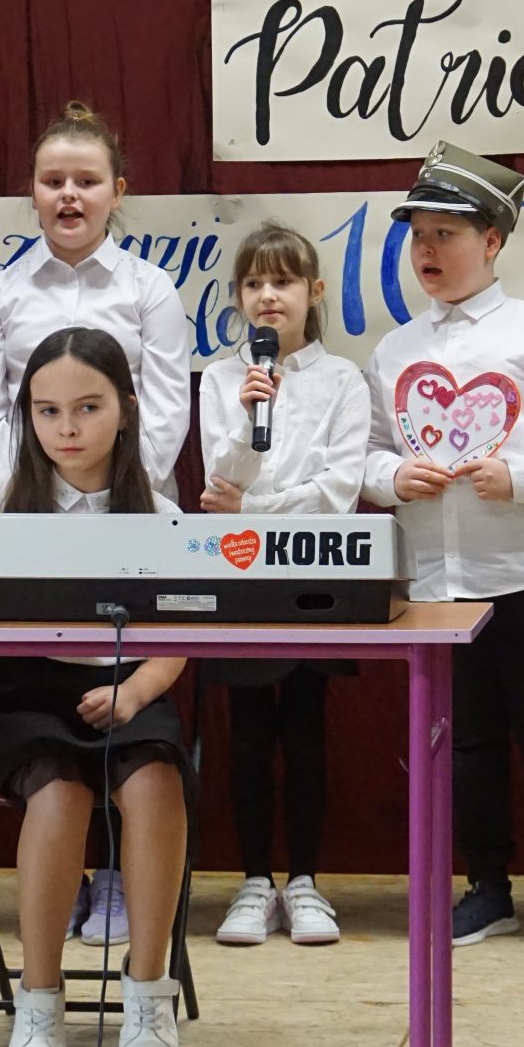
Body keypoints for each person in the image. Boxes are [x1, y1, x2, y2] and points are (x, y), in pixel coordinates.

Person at [360, 145, 524, 952]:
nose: (428, 251)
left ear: (492, 241)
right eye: (418, 236)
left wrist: (523, 474)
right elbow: (364, 452)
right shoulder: (394, 351)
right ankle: (486, 885)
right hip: (437, 581)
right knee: (463, 741)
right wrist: (392, 476)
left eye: (445, 234)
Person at [0, 102, 190, 944]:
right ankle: (49, 959)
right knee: (57, 780)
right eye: (52, 180)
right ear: (31, 193)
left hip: (127, 506)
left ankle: (133, 921)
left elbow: (164, 404)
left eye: (86, 181)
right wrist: (39, 492)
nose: (68, 194)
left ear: (116, 192)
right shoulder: (1, 290)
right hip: (30, 506)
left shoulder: (148, 287)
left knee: (148, 767)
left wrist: (113, 494)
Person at [0, 328, 193, 1047]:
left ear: (126, 409)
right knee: (59, 795)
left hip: (129, 688)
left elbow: (181, 636)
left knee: (155, 784)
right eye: (48, 410)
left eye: (88, 407)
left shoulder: (158, 510)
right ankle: (38, 999)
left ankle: (148, 989)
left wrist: (137, 691)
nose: (67, 428)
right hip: (25, 693)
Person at [199, 223, 369, 948]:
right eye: (253, 283)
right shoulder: (219, 378)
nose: (268, 295)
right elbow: (218, 484)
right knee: (246, 732)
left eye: (283, 281)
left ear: (314, 291)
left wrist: (256, 510)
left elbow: (339, 492)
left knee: (304, 728)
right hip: (240, 574)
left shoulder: (344, 380)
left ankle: (303, 880)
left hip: (314, 573)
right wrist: (247, 414)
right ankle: (252, 881)